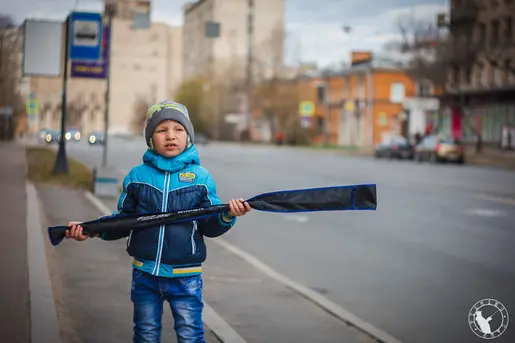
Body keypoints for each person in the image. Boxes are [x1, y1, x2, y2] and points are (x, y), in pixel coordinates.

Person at [65, 100, 252, 343]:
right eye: (162, 130)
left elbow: (209, 226)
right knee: (145, 334)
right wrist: (90, 229)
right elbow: (123, 221)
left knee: (190, 336)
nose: (171, 136)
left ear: (188, 137)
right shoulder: (137, 177)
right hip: (145, 274)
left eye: (178, 129)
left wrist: (227, 215)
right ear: (151, 138)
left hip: (186, 276)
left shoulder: (201, 178)